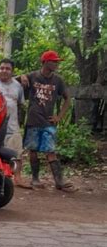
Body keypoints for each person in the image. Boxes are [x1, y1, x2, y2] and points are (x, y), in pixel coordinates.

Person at [20, 50, 76, 192]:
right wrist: (22, 76)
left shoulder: (58, 80)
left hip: (48, 121)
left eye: (57, 61)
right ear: (45, 62)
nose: (57, 64)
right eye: (54, 61)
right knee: (33, 150)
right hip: (33, 120)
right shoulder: (33, 76)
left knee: (50, 150)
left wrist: (59, 116)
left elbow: (67, 98)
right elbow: (13, 80)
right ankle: (35, 179)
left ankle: (59, 181)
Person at [0, 59, 31, 189]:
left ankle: (18, 178)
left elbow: (20, 104)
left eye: (7, 69)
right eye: (2, 68)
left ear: (12, 71)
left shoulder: (17, 86)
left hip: (12, 125)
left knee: (16, 153)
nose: (4, 71)